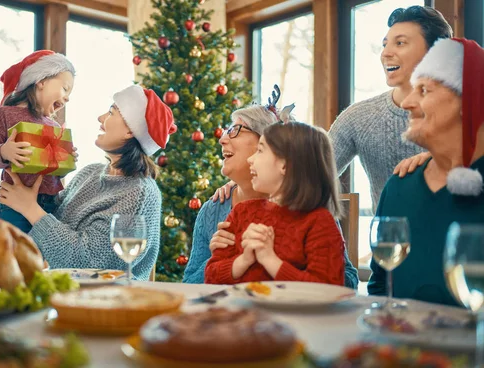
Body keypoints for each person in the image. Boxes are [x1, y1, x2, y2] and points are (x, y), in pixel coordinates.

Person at [0, 84, 177, 281]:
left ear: (131, 131)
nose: (101, 119)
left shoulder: (139, 192)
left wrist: (30, 208)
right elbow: (44, 238)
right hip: (65, 293)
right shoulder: (89, 173)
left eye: (111, 112)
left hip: (108, 302)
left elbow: (91, 265)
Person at [183, 98, 359, 288]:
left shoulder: (312, 212)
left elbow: (340, 281)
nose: (222, 138)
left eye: (235, 130)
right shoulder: (224, 210)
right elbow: (192, 283)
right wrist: (237, 257)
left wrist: (272, 259)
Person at [368, 38, 484, 306]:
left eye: (423, 90)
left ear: (469, 100)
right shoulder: (398, 186)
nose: (407, 102)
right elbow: (380, 285)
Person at [329, 6, 453, 211]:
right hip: (389, 241)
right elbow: (312, 177)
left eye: (400, 43)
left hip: (462, 240)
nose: (385, 53)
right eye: (385, 44)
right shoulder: (358, 118)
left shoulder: (470, 113)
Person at [205, 122, 345, 285]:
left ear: (285, 165)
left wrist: (269, 260)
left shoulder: (319, 222)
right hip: (243, 310)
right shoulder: (241, 212)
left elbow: (327, 289)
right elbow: (211, 277)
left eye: (260, 150)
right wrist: (243, 260)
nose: (251, 159)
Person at [0, 50, 76, 233]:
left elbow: (53, 173)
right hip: (13, 206)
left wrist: (65, 158)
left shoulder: (54, 126)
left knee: (42, 257)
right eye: (65, 88)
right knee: (13, 254)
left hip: (49, 206)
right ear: (41, 81)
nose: (67, 98)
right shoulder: (5, 114)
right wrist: (4, 151)